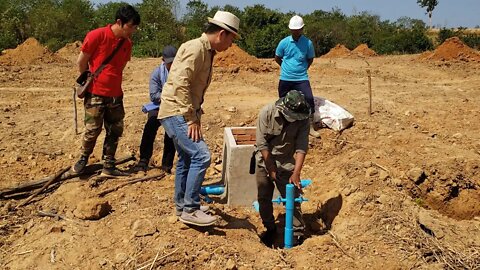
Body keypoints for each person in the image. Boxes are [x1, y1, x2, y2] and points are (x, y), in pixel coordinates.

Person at [158, 11, 240, 226]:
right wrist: (190, 118)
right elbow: (179, 84)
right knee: (201, 156)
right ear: (222, 34)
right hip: (177, 111)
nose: (231, 45)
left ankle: (183, 205)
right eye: (231, 39)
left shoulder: (207, 51)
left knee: (187, 158)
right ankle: (191, 209)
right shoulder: (195, 48)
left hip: (181, 111)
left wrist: (196, 116)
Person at [71, 5, 140, 177]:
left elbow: (121, 66)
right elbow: (82, 62)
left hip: (115, 95)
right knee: (92, 129)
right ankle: (83, 159)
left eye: (135, 27)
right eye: (131, 26)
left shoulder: (127, 43)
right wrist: (89, 80)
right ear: (119, 22)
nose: (133, 30)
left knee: (115, 130)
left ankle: (109, 165)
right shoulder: (97, 35)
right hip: (95, 92)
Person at [255, 90, 310, 247]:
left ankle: (297, 234)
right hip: (264, 160)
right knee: (264, 196)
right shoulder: (267, 112)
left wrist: (296, 172)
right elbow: (262, 143)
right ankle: (270, 229)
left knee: (293, 196)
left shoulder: (304, 117)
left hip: (286, 162)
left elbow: (301, 146)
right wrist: (270, 167)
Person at [275, 15, 320, 138]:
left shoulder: (308, 43)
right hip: (285, 78)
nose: (295, 32)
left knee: (309, 100)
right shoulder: (284, 42)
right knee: (283, 101)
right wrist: (286, 69)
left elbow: (310, 59)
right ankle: (284, 125)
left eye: (297, 29)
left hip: (301, 78)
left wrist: (302, 69)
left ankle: (310, 126)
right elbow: (277, 58)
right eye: (293, 30)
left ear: (302, 29)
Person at [135, 46, 177, 173]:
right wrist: (170, 94)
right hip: (158, 106)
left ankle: (167, 165)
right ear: (163, 60)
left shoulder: (181, 73)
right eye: (169, 62)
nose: (172, 65)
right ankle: (143, 160)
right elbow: (154, 95)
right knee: (150, 127)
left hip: (174, 106)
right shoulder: (157, 73)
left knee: (171, 132)